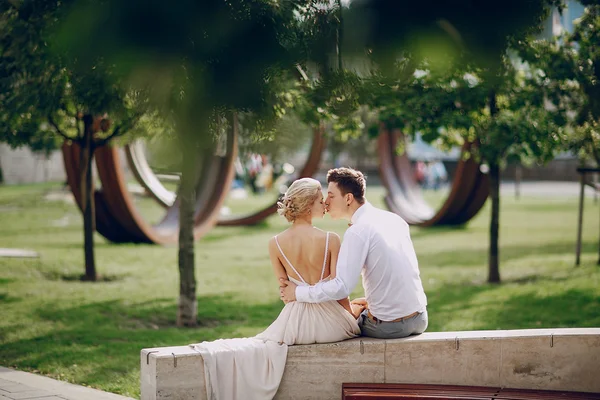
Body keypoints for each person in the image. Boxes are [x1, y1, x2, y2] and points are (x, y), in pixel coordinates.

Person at [190, 177, 360, 400]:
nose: (325, 205)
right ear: (308, 205)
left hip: (294, 325)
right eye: (320, 201)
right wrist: (350, 318)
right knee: (361, 305)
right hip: (331, 325)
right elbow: (339, 292)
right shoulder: (331, 239)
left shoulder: (275, 243)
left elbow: (286, 296)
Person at [280, 167, 428, 339]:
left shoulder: (358, 231)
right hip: (420, 318)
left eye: (331, 195)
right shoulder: (394, 219)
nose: (326, 202)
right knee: (360, 305)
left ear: (348, 198)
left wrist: (297, 293)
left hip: (388, 326)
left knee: (332, 324)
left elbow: (342, 287)